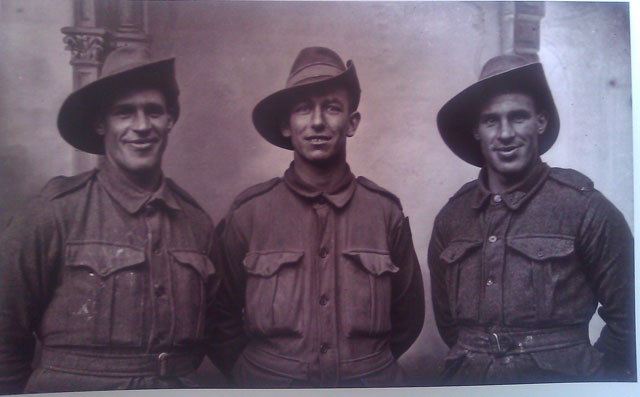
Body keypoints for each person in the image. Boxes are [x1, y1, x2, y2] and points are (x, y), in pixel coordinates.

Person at [0, 46, 225, 393]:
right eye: (124, 113)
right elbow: (4, 337)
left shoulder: (196, 223)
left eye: (153, 111)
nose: (141, 126)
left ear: (169, 120)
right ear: (100, 123)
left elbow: (218, 329)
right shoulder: (54, 213)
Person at [216, 47, 425, 387]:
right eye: (303, 108)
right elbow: (219, 317)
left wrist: (363, 368)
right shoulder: (249, 213)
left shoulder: (385, 213)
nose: (316, 121)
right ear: (286, 124)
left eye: (331, 107)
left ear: (351, 122)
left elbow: (407, 318)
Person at [429, 54, 635, 384]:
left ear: (540, 121)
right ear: (477, 131)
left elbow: (629, 320)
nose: (506, 133)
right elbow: (449, 324)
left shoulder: (584, 208)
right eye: (491, 121)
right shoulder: (452, 218)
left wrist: (592, 381)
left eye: (518, 117)